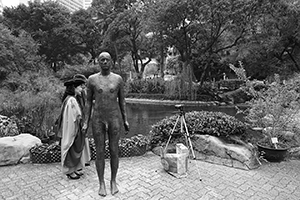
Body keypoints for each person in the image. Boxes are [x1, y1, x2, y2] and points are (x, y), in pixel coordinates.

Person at [82, 51, 130, 196]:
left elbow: (122, 101)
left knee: (115, 150)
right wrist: (85, 121)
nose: (104, 62)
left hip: (114, 118)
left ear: (111, 62)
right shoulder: (92, 80)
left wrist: (125, 119)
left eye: (106, 60)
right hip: (98, 119)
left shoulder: (118, 79)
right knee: (100, 152)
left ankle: (113, 181)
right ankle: (101, 182)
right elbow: (89, 102)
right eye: (101, 60)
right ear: (98, 62)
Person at [58, 77, 86, 180]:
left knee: (74, 148)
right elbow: (73, 117)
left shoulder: (70, 99)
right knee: (70, 147)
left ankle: (73, 169)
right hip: (72, 128)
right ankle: (69, 171)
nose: (81, 90)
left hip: (74, 127)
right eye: (79, 87)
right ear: (74, 88)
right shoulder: (71, 100)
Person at [73, 74, 91, 167]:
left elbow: (86, 105)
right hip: (78, 118)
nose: (83, 86)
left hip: (83, 117)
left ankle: (86, 159)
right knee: (79, 138)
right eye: (82, 84)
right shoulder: (75, 95)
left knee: (84, 137)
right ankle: (82, 160)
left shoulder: (83, 92)